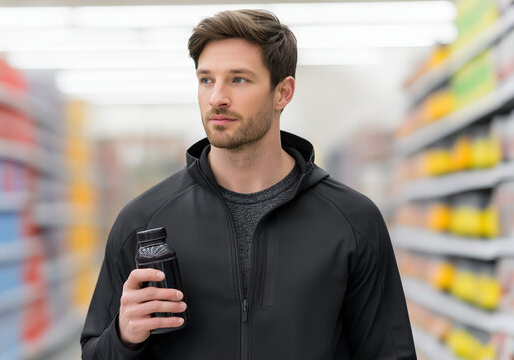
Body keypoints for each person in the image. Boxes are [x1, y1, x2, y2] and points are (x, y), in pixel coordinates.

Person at [80, 9, 416, 360]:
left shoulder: (352, 221)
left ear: (282, 93)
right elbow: (94, 354)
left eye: (238, 79)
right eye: (206, 79)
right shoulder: (143, 223)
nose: (216, 98)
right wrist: (124, 336)